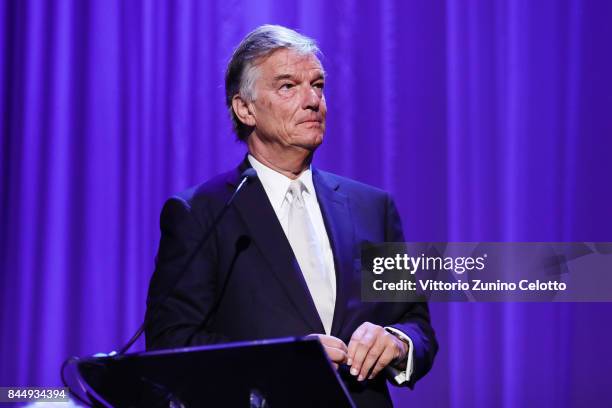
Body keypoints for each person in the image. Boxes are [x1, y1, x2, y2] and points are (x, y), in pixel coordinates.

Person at [145, 24, 437, 407]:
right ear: (245, 108)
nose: (313, 100)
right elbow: (172, 342)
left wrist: (397, 344)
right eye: (288, 87)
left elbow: (417, 326)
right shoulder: (201, 212)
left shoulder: (372, 208)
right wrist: (281, 361)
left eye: (317, 85)